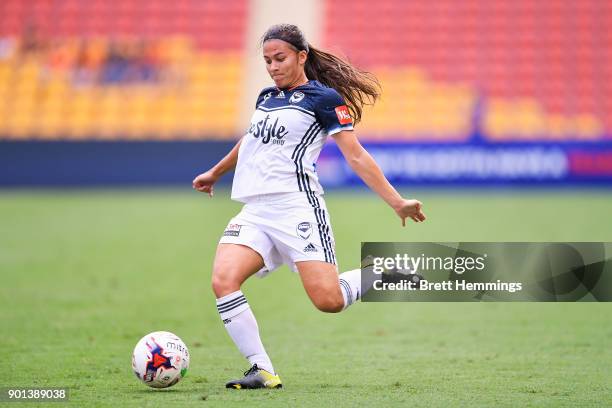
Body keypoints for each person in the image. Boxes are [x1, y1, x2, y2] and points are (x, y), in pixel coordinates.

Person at [192, 24, 426, 389]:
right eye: (267, 60)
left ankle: (381, 271)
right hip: (255, 211)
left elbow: (356, 155)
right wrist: (216, 173)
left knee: (328, 301)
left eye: (280, 58)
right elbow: (250, 141)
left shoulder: (324, 99)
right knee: (223, 280)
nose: (272, 67)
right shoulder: (266, 97)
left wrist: (397, 202)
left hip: (297, 209)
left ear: (301, 56)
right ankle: (262, 370)